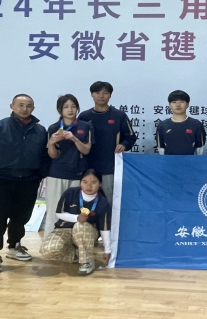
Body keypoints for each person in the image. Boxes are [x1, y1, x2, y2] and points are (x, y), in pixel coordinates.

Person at [0, 94, 50, 273]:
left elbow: (45, 156)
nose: (25, 109)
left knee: (21, 217)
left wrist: (40, 176)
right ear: (12, 106)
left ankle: (14, 246)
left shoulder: (40, 131)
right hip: (1, 181)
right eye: (20, 105)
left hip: (29, 181)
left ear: (33, 108)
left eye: (28, 105)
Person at [39, 169, 111, 276]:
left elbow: (104, 228)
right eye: (85, 182)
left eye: (93, 182)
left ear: (100, 183)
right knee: (47, 250)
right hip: (65, 228)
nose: (89, 186)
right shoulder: (70, 193)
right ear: (80, 182)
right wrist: (76, 218)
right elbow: (59, 213)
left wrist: (107, 250)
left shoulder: (103, 202)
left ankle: (87, 262)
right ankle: (78, 256)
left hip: (86, 231)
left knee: (80, 226)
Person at [78, 81, 137, 202]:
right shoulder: (84, 116)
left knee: (108, 202)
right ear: (91, 94)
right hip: (87, 167)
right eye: (97, 92)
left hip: (110, 167)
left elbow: (130, 137)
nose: (101, 96)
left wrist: (124, 145)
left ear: (110, 95)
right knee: (86, 203)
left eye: (105, 93)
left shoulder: (119, 115)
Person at [44, 94, 94, 237]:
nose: (70, 110)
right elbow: (53, 155)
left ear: (77, 108)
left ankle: (74, 241)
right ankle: (50, 240)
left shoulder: (86, 126)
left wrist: (74, 139)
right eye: (66, 107)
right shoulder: (54, 128)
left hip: (78, 173)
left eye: (73, 106)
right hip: (57, 174)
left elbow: (86, 150)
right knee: (54, 209)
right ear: (60, 109)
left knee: (75, 210)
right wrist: (51, 143)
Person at [156, 90, 206, 155]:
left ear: (187, 104)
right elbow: (161, 148)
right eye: (174, 102)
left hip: (190, 160)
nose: (178, 105)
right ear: (169, 105)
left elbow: (199, 148)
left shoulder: (196, 125)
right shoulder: (162, 126)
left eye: (182, 102)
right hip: (168, 160)